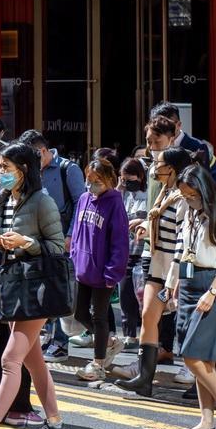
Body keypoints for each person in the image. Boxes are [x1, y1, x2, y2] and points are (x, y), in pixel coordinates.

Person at [0, 142, 70, 429]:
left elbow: (57, 248)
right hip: (15, 287)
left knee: (10, 358)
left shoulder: (42, 201)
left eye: (7, 167)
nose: (1, 172)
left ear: (23, 169)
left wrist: (26, 243)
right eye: (1, 167)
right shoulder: (3, 199)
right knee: (34, 362)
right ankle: (55, 424)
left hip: (36, 288)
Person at [162, 165, 216, 429]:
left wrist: (213, 292)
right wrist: (172, 283)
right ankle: (206, 419)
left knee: (191, 354)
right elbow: (180, 249)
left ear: (204, 190)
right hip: (187, 285)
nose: (188, 199)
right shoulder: (190, 212)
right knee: (203, 359)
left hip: (210, 285)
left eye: (192, 195)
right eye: (184, 195)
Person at [119, 122, 195, 397]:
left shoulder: (184, 197)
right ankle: (144, 377)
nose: (153, 165)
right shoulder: (163, 192)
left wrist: (174, 280)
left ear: (172, 169)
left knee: (186, 322)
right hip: (155, 263)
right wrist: (146, 225)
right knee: (148, 315)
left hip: (175, 270)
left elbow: (184, 240)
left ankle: (197, 378)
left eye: (159, 163)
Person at [19, 130, 85, 361]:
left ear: (43, 150)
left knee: (59, 288)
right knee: (44, 288)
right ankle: (49, 336)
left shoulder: (68, 169)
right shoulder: (32, 171)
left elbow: (81, 204)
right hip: (40, 238)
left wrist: (70, 235)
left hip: (63, 239)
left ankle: (61, 341)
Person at [70, 157, 130, 382]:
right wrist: (74, 256)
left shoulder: (115, 202)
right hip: (83, 269)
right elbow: (77, 231)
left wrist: (113, 272)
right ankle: (110, 342)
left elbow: (120, 240)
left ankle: (97, 364)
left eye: (98, 180)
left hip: (103, 271)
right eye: (90, 179)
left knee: (99, 316)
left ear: (109, 180)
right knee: (81, 314)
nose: (92, 184)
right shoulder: (84, 198)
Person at [150, 102, 216, 199]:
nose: (163, 131)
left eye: (169, 126)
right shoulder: (153, 146)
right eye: (157, 127)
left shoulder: (197, 147)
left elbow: (201, 182)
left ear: (178, 125)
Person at [118, 157, 150, 347]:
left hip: (143, 250)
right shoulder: (122, 194)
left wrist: (140, 221)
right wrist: (119, 188)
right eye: (123, 179)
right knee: (125, 292)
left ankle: (147, 332)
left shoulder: (148, 193)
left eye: (129, 179)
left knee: (143, 295)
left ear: (139, 176)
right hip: (125, 249)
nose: (126, 182)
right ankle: (129, 333)